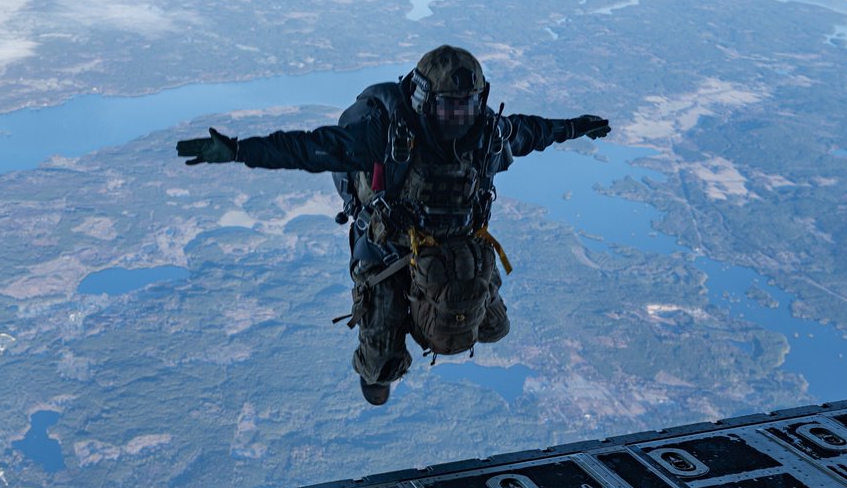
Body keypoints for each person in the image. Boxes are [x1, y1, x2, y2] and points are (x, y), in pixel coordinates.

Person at [176, 45, 611, 405]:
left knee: (492, 328)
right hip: (388, 252)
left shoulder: (488, 136)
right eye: (448, 108)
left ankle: (428, 310)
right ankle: (383, 355)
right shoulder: (383, 134)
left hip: (455, 250)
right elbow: (309, 149)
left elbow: (534, 132)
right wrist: (238, 150)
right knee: (380, 367)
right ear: (424, 100)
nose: (459, 118)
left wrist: (576, 127)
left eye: (467, 107)